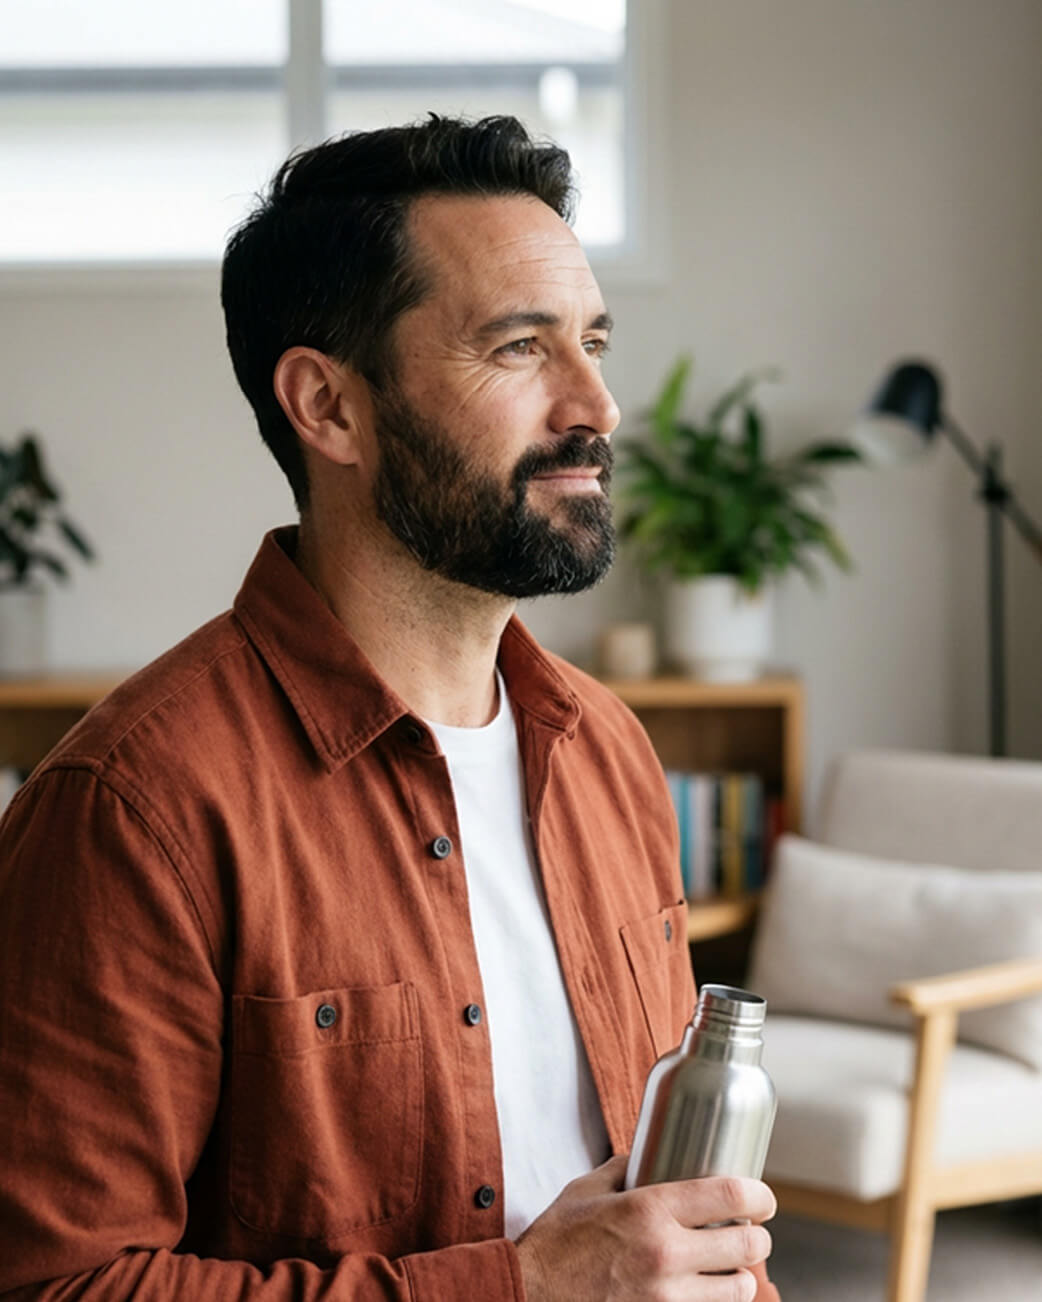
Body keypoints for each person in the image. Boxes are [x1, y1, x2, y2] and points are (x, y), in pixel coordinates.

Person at [0, 115, 779, 1299]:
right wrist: (517, 1288)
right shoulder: (133, 809)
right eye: (521, 348)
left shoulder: (608, 751)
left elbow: (655, 1223)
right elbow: (56, 1284)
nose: (597, 407)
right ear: (329, 407)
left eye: (594, 343)